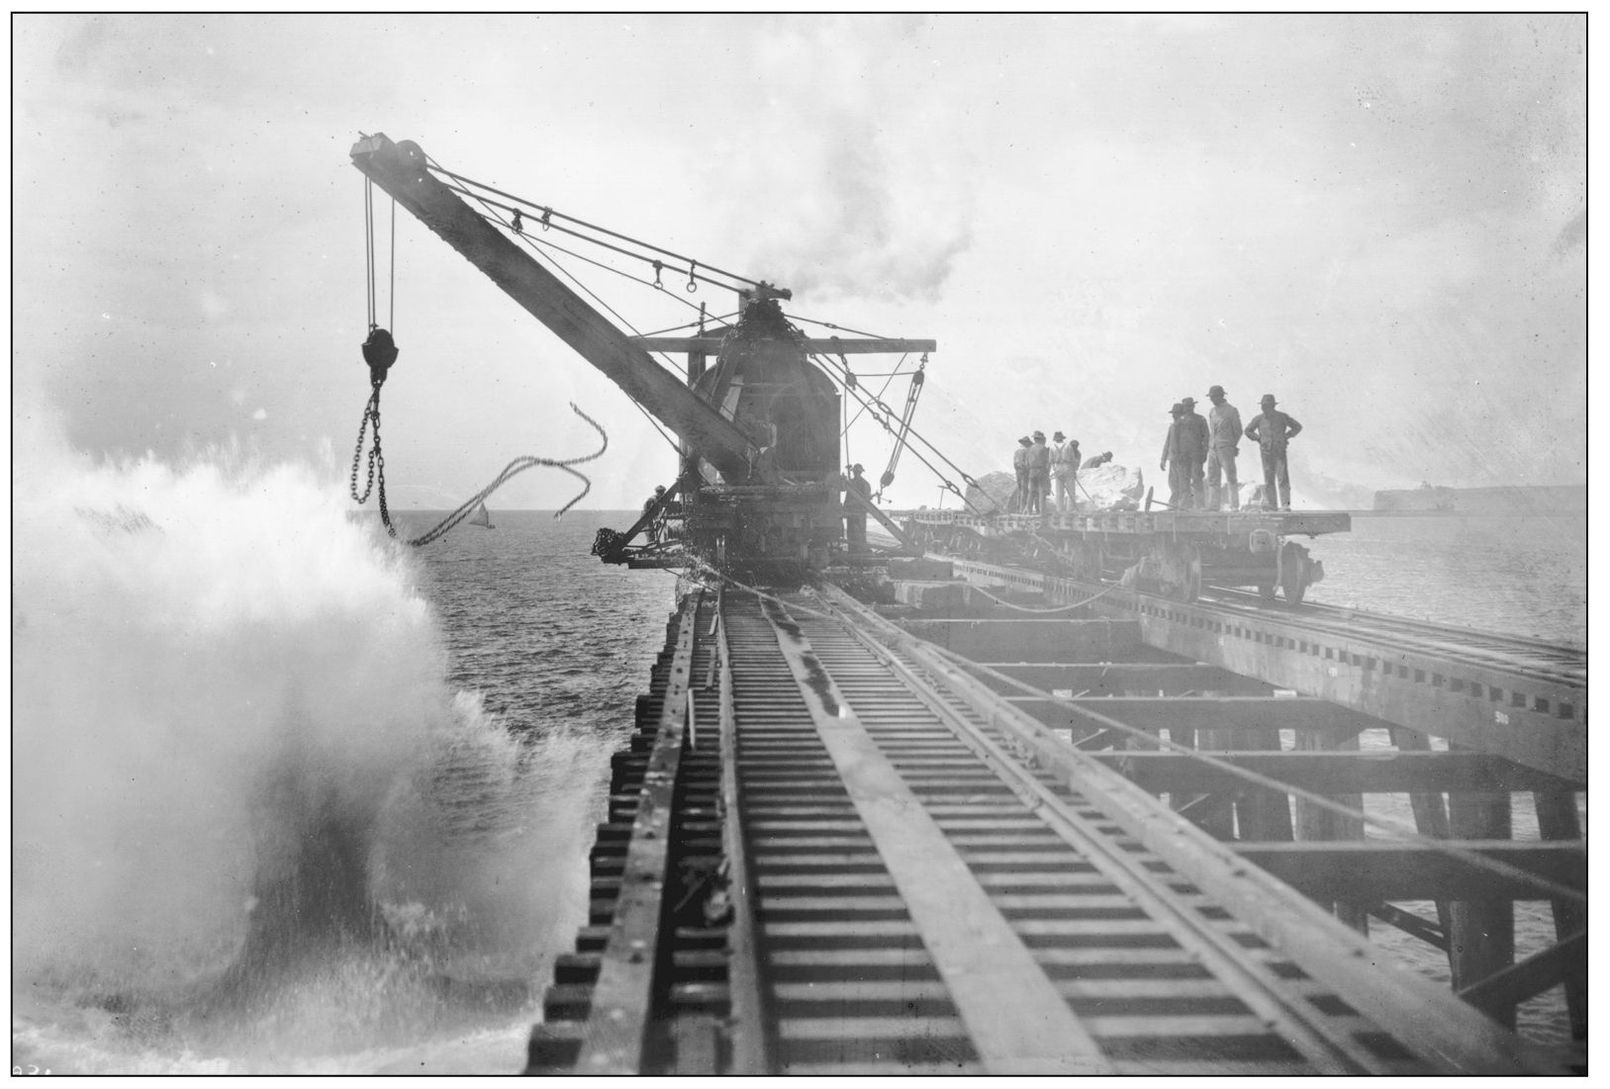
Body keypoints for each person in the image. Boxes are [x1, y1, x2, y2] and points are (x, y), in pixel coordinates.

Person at [1244, 394, 1303, 510]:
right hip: (1266, 452)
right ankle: (1272, 504)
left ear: (1272, 406)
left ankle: (1285, 504)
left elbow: (1297, 427)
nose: (1265, 408)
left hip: (1279, 451)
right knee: (1269, 479)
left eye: (1267, 406)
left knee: (1282, 478)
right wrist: (1258, 439)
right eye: (1263, 406)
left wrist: (1286, 436)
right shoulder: (1259, 419)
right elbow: (1247, 431)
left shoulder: (1282, 417)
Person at [1204, 384, 1243, 510]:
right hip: (1213, 449)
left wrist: (1231, 445)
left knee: (1231, 477)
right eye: (1210, 397)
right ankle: (1213, 505)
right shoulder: (1212, 411)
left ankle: (1234, 505)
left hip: (1225, 448)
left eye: (1213, 396)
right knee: (1213, 478)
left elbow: (1238, 431)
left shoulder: (1231, 410)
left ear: (1220, 396)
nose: (1211, 399)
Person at [1174, 398, 1209, 509]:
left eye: (1190, 406)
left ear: (1193, 406)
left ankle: (1200, 505)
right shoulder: (1179, 421)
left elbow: (1206, 437)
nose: (1188, 408)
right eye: (1186, 406)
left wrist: (1204, 452)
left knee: (1197, 479)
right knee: (1184, 481)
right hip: (1183, 455)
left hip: (1196, 454)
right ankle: (1185, 505)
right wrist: (1177, 454)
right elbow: (1175, 440)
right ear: (1183, 408)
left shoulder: (1201, 419)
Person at [1160, 404, 1187, 508]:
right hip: (1172, 459)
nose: (1174, 415)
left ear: (1181, 414)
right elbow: (1167, 444)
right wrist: (1163, 459)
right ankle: (1173, 504)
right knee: (1173, 483)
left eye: (1176, 413)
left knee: (1183, 483)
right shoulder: (1172, 426)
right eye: (1173, 413)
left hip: (1182, 459)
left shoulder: (1185, 426)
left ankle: (1182, 505)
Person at [1051, 430, 1080, 512]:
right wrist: (1074, 471)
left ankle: (1059, 509)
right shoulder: (1068, 447)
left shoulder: (1052, 447)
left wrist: (1055, 469)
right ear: (1062, 438)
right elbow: (1073, 460)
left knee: (1059, 491)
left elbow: (1051, 461)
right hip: (1068, 467)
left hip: (1058, 468)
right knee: (1071, 490)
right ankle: (1070, 509)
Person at [844, 463, 871, 551]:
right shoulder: (850, 482)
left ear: (859, 473)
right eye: (855, 472)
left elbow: (865, 500)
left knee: (859, 532)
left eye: (857, 472)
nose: (855, 474)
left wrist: (851, 504)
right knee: (852, 532)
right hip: (852, 512)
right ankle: (853, 551)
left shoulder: (864, 484)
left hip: (859, 513)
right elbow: (847, 497)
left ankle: (860, 551)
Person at [1026, 431, 1051, 514]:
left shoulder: (1030, 449)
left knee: (1031, 492)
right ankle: (1042, 511)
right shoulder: (1043, 449)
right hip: (1041, 472)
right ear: (1041, 439)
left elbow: (1026, 463)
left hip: (1031, 472)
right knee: (1041, 491)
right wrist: (1047, 473)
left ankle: (1028, 511)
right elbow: (1047, 462)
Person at [1011, 436, 1032, 512]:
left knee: (1020, 490)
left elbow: (1014, 464)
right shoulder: (1026, 451)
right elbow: (1027, 463)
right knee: (1025, 490)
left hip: (1018, 472)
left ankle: (1018, 508)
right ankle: (1022, 509)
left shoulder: (1017, 451)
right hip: (1024, 472)